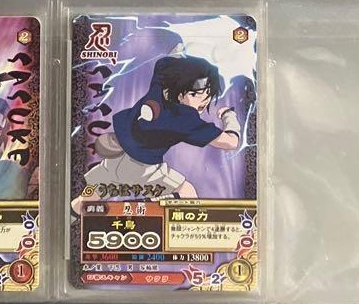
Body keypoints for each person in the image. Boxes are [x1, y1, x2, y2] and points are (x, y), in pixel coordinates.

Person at [71, 54, 241, 212]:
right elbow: (231, 142)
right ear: (181, 92)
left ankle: (67, 217)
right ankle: (159, 207)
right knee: (187, 193)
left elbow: (163, 63)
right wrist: (229, 116)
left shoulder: (159, 88)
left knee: (85, 200)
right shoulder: (185, 119)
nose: (205, 99)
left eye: (208, 93)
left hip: (117, 157)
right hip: (145, 168)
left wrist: (178, 55)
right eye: (195, 94)